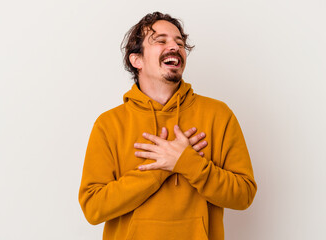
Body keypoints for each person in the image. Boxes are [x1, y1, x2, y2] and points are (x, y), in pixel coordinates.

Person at [79, 12, 257, 240]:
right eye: (161, 41)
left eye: (179, 42)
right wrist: (161, 168)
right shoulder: (109, 124)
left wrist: (188, 163)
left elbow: (243, 195)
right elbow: (93, 208)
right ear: (137, 60)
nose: (175, 46)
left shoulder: (218, 115)